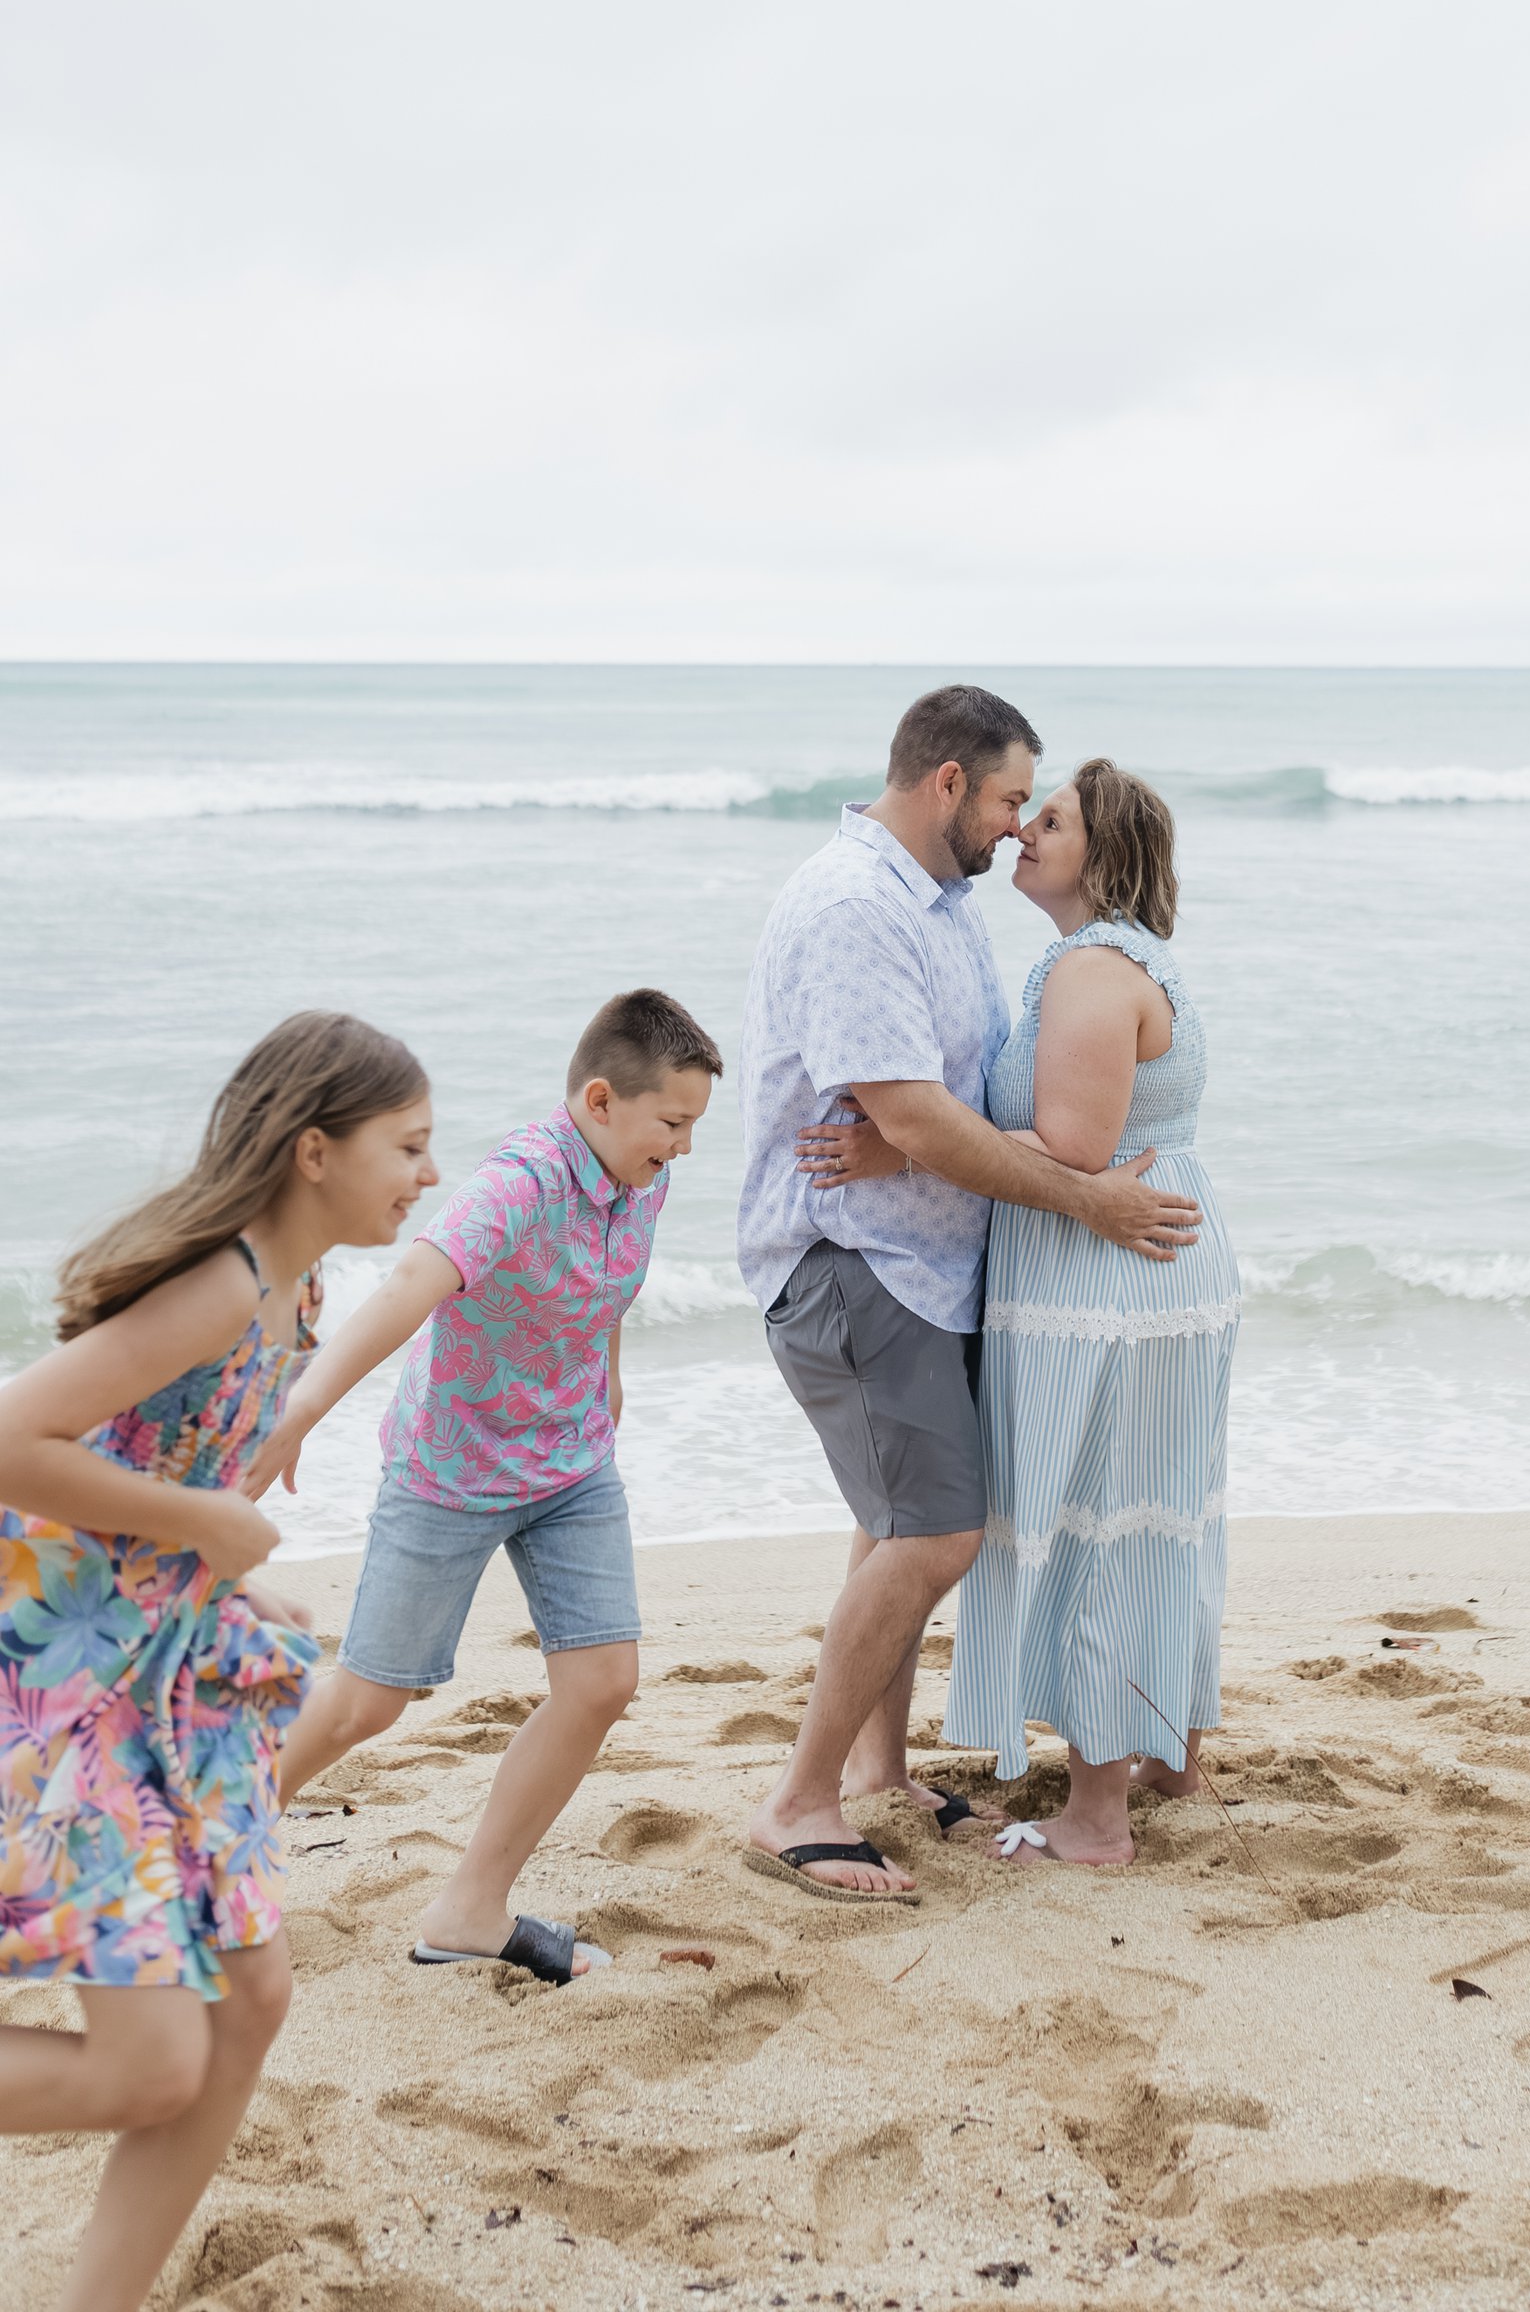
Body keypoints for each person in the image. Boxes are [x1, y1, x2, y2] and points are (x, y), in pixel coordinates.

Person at [0, 1011, 436, 2312]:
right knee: (146, 2067)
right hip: (82, 1688)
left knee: (249, 2006)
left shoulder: (297, 1295)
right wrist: (206, 1527)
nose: (429, 1174)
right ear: (315, 1149)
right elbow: (13, 1439)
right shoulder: (224, 1288)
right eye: (408, 1145)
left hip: (177, 1674)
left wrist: (226, 1577)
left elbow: (141, 1454)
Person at [739, 685, 1204, 1902]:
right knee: (936, 1533)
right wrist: (1090, 1202)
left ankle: (879, 1771)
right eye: (1008, 799)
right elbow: (912, 1116)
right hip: (858, 1263)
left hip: (928, 1270)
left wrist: (949, 1163)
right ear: (948, 782)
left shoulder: (938, 903)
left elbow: (951, 1108)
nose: (1013, 825)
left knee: (899, 1522)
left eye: (1035, 809)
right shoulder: (858, 905)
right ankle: (798, 1802)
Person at [247, 987, 721, 1984]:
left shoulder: (643, 1175)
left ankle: (470, 1909)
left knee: (603, 1681)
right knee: (369, 1703)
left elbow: (606, 1282)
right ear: (600, 1101)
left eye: (693, 1126)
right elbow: (411, 1286)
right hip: (452, 1471)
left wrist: (610, 1376)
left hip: (571, 1462)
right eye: (673, 1123)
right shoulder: (519, 1181)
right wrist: (301, 1407)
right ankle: (207, 1842)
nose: (684, 1146)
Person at [930, 761, 1242, 1863]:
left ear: (1102, 857)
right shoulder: (1121, 960)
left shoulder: (1092, 970)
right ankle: (1172, 1757)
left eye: (1051, 821)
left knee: (1100, 1518)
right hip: (1148, 1269)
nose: (1023, 830)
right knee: (1161, 1511)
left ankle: (1097, 1817)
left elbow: (1073, 1148)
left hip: (1109, 1281)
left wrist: (915, 1142)